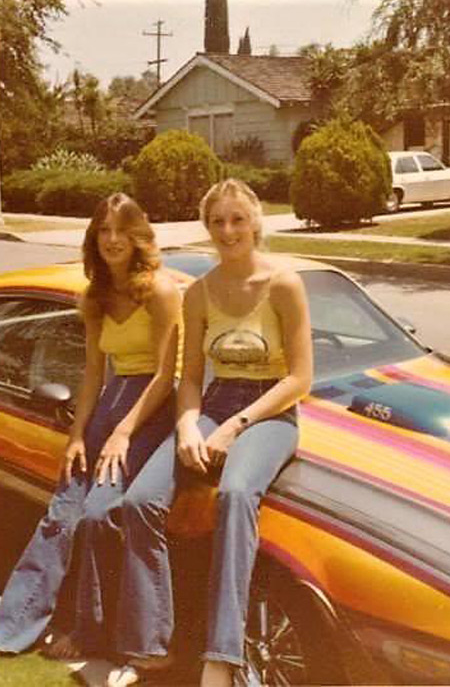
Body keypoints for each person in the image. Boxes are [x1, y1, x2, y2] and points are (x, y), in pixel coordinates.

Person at [0, 193, 182, 668]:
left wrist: (123, 432)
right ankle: (7, 629)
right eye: (104, 230)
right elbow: (93, 375)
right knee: (63, 512)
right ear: (93, 238)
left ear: (140, 235)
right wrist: (79, 435)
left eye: (123, 229)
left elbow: (165, 375)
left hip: (153, 409)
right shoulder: (95, 298)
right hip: (111, 402)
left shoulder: (161, 292)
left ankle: (90, 630)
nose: (113, 240)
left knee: (100, 513)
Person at [108, 179, 313, 687]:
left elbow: (301, 378)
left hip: (270, 412)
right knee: (139, 501)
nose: (228, 230)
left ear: (256, 222)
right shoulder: (197, 294)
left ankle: (221, 657)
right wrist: (184, 427)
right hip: (213, 404)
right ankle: (151, 648)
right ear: (207, 226)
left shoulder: (284, 284)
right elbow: (192, 378)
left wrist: (235, 428)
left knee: (237, 493)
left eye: (237, 219)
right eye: (218, 221)